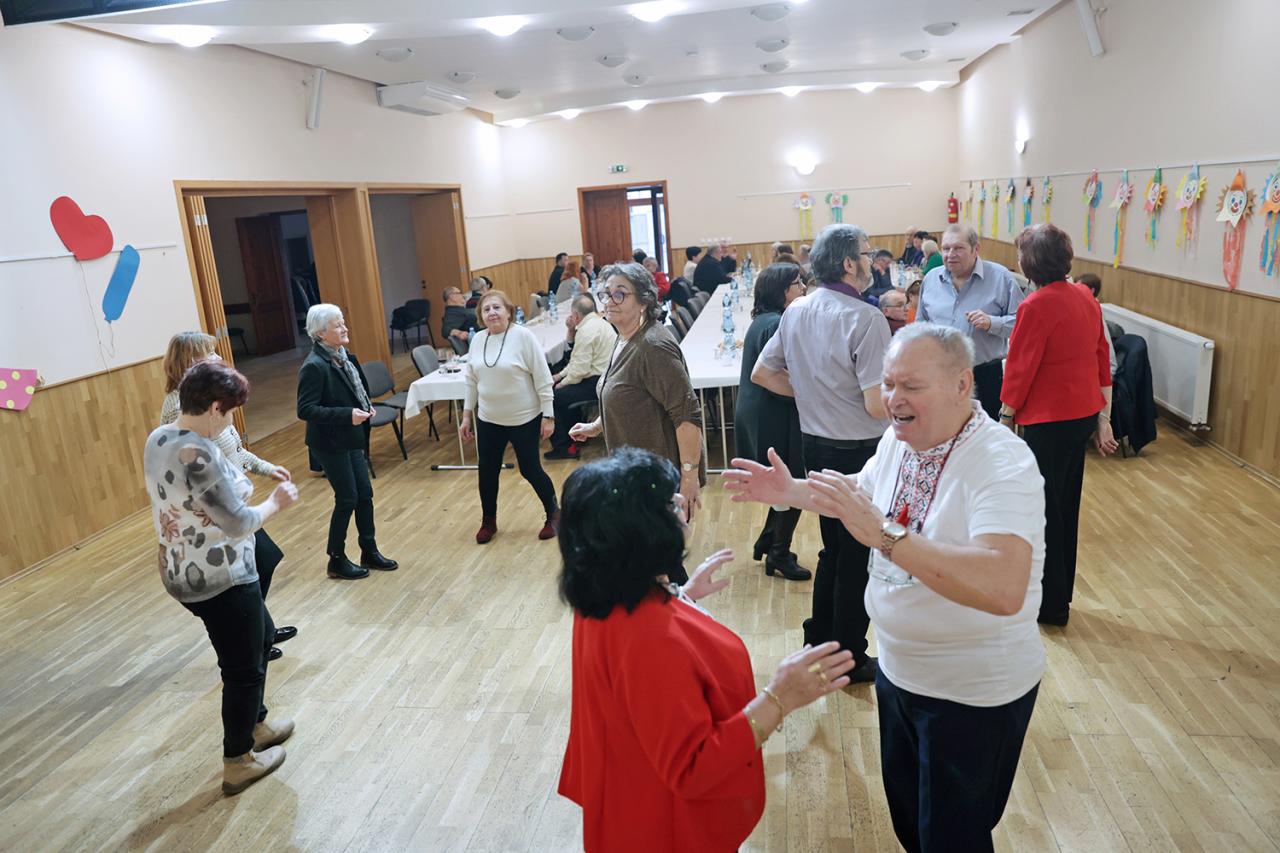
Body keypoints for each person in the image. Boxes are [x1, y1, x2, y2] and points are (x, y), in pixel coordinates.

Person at [725, 323, 1048, 853]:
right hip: (902, 674)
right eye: (889, 383)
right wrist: (790, 491)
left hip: (970, 693)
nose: (893, 399)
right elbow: (862, 494)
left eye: (911, 386)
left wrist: (885, 536)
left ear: (962, 384)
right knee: (912, 826)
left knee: (952, 839)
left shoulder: (1002, 463)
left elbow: (1003, 586)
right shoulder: (900, 440)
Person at [557, 448, 855, 853]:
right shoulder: (652, 641)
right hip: (664, 828)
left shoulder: (602, 590)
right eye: (667, 503)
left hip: (628, 795)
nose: (682, 502)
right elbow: (693, 767)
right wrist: (780, 697)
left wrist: (682, 597)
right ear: (639, 531)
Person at [144, 359, 301, 795]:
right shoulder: (198, 454)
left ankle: (256, 724)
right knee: (242, 669)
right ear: (214, 408)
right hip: (219, 578)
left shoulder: (160, 436)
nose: (231, 420)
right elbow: (238, 523)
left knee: (260, 638)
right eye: (229, 412)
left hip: (180, 570)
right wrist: (276, 502)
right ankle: (238, 760)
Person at [750, 223, 890, 683]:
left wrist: (814, 396)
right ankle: (847, 654)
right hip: (858, 449)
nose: (871, 262)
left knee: (834, 548)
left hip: (815, 443)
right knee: (857, 555)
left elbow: (763, 374)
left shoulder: (797, 310)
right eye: (866, 254)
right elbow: (875, 404)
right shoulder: (865, 318)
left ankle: (819, 639)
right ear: (849, 263)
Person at [1001, 225, 1117, 626]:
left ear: (1030, 262)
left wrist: (1005, 416)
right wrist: (1103, 417)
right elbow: (1101, 357)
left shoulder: (1036, 305)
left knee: (1044, 510)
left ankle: (1049, 605)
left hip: (1048, 420)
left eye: (1021, 254)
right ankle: (1058, 596)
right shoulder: (1085, 295)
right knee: (1065, 505)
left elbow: (1020, 367)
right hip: (1080, 414)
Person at [160, 332, 296, 662]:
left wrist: (267, 468)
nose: (217, 358)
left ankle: (260, 627)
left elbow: (234, 449)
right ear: (190, 361)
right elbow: (192, 465)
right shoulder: (180, 407)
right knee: (262, 560)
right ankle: (255, 632)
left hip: (232, 503)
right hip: (215, 512)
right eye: (209, 354)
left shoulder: (209, 396)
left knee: (264, 560)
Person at [568, 263, 705, 561]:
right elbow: (627, 395)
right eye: (606, 294)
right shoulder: (623, 337)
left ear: (644, 301)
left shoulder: (653, 346)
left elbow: (687, 414)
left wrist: (689, 478)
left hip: (657, 477)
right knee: (650, 562)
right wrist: (596, 426)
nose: (610, 301)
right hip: (633, 474)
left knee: (655, 561)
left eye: (620, 294)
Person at [296, 304, 398, 580]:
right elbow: (305, 409)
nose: (345, 328)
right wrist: (347, 414)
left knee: (364, 494)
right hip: (329, 442)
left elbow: (356, 391)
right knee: (347, 498)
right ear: (320, 334)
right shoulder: (314, 366)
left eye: (343, 323)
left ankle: (369, 551)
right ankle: (336, 559)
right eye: (338, 325)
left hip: (350, 437)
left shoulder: (344, 357)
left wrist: (365, 406)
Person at [460, 289, 560, 544]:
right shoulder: (477, 340)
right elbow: (471, 380)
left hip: (523, 417)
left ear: (508, 311)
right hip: (488, 418)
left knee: (530, 469)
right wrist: (467, 415)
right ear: (481, 316)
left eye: (497, 307)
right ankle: (488, 520)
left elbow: (543, 378)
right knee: (487, 471)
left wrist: (548, 415)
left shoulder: (523, 336)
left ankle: (554, 514)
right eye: (486, 309)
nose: (492, 313)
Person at [734, 262, 811, 582]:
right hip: (772, 412)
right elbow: (783, 374)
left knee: (780, 479)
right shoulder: (777, 323)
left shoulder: (764, 320)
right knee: (790, 482)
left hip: (761, 410)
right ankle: (779, 554)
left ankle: (768, 540)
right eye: (797, 284)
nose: (803, 288)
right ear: (781, 291)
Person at [916, 223, 1025, 421]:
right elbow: (920, 325)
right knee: (942, 430)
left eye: (958, 248)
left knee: (984, 435)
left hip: (985, 376)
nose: (950, 255)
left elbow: (1022, 324)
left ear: (976, 249)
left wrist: (992, 322)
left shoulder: (1001, 278)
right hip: (940, 374)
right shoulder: (931, 279)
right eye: (946, 249)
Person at [547, 294, 617, 460]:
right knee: (564, 393)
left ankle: (565, 446)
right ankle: (577, 435)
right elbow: (577, 362)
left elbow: (579, 370)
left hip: (599, 382)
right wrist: (559, 376)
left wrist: (562, 383)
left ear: (576, 315)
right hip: (606, 377)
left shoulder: (586, 330)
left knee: (552, 397)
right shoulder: (600, 322)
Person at [1075, 272, 1117, 377]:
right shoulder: (1080, 308)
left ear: (1091, 291)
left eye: (1079, 288)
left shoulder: (1094, 312)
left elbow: (1108, 357)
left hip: (1101, 373)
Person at [441, 286, 472, 354]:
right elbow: (445, 330)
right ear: (452, 297)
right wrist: (458, 333)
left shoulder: (458, 309)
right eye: (459, 293)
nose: (463, 295)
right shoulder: (453, 312)